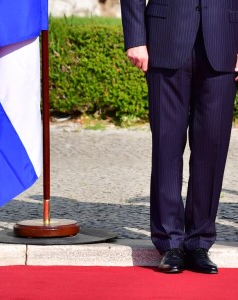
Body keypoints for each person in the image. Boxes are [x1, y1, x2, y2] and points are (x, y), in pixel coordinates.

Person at [121, 0, 238, 274]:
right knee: (166, 144)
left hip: (224, 40)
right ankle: (169, 242)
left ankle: (199, 242)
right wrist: (135, 38)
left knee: (212, 146)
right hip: (165, 36)